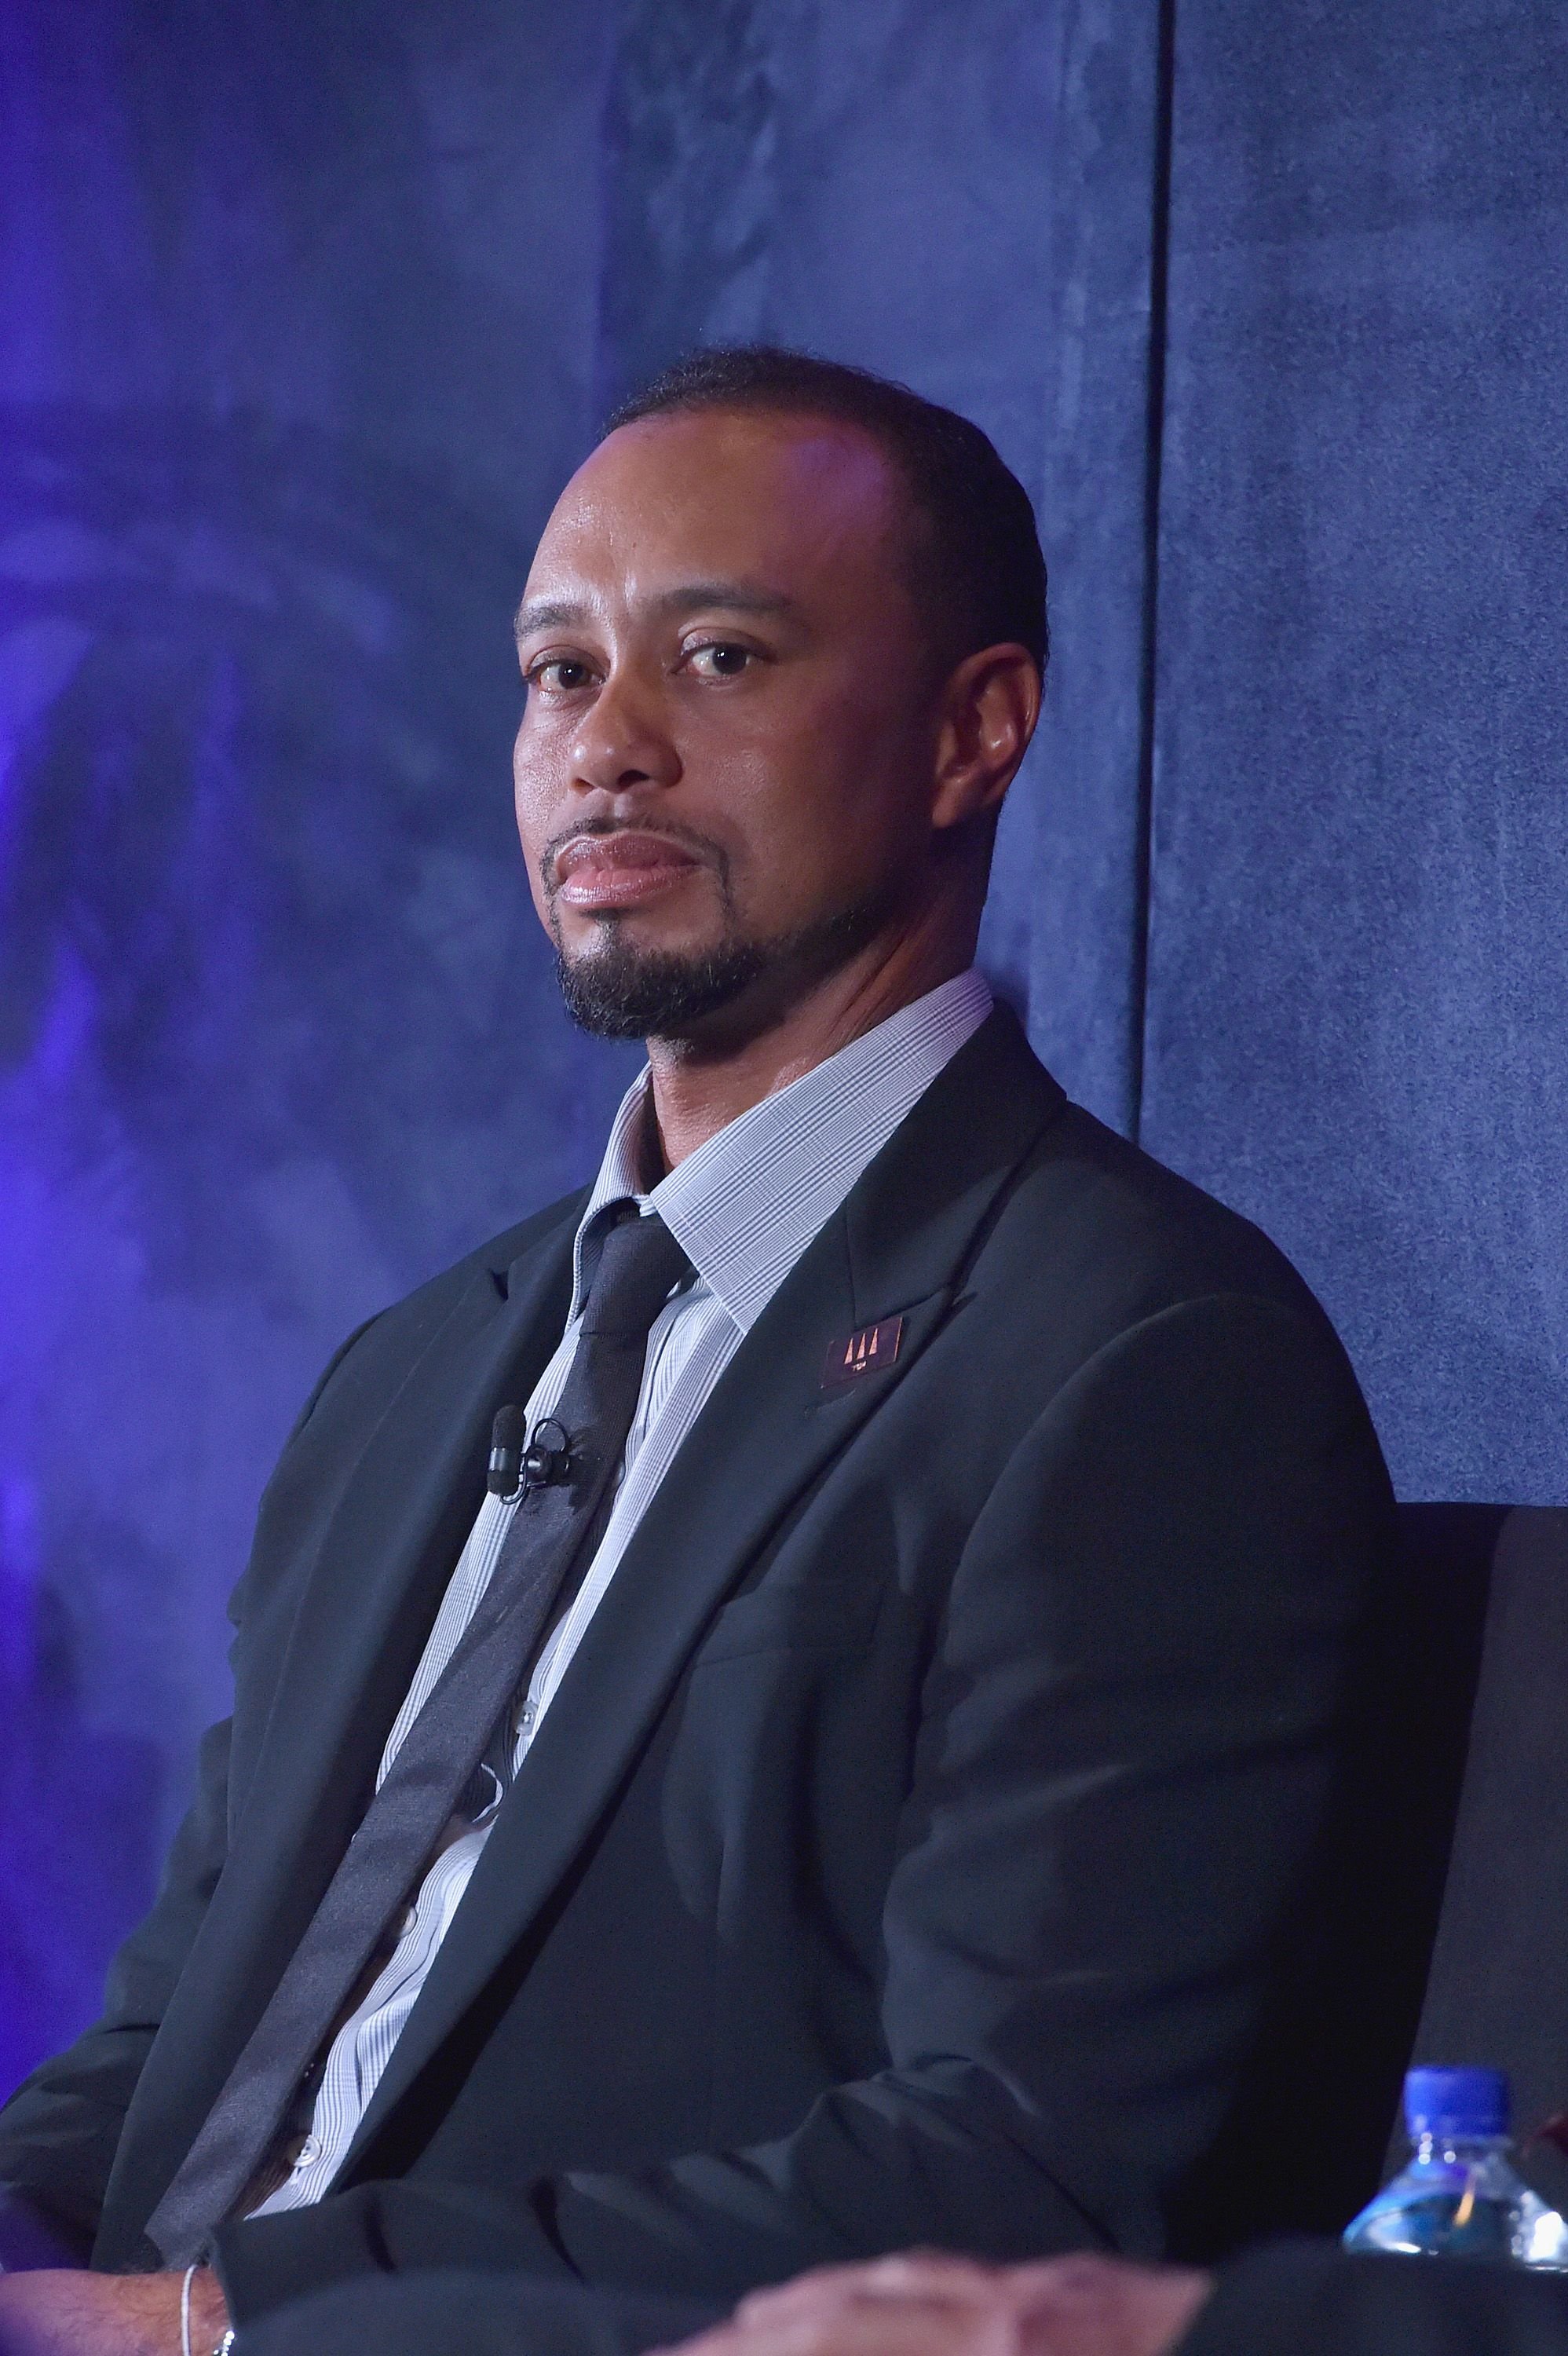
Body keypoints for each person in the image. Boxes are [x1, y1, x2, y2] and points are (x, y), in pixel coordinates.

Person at [0, 348, 1398, 2356]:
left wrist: (212, 2322)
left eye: (720, 658)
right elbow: (174, 2037)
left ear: (973, 731)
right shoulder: (410, 1373)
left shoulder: (1144, 1355)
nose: (607, 747)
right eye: (559, 671)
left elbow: (1017, 2167)